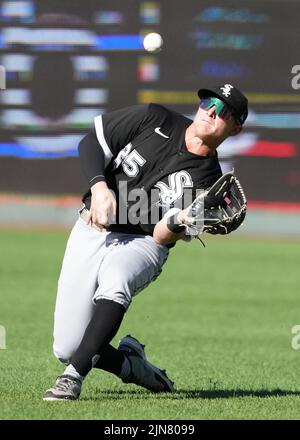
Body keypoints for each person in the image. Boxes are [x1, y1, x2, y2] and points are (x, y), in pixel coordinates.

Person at [43, 83, 248, 400]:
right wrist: (99, 187)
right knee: (68, 345)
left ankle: (72, 378)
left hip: (143, 243)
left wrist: (181, 219)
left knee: (117, 280)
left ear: (235, 128)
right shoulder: (154, 118)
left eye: (223, 111)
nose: (211, 110)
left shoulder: (208, 181)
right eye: (209, 101)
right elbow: (91, 143)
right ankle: (132, 366)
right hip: (90, 229)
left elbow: (161, 235)